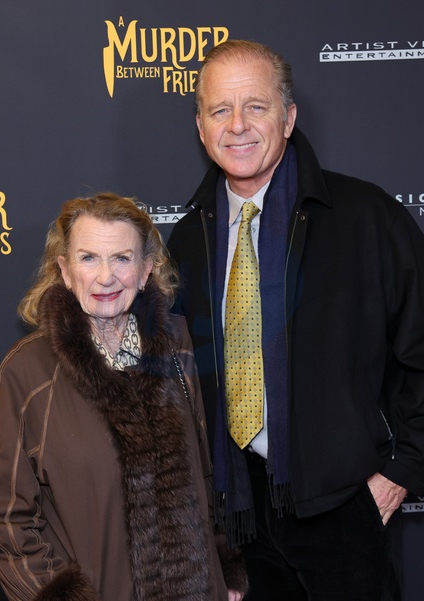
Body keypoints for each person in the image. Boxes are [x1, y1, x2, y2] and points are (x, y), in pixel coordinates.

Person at [167, 39, 424, 600]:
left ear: (288, 118)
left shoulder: (365, 217)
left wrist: (402, 470)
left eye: (255, 106)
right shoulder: (188, 240)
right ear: (201, 127)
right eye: (220, 109)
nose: (237, 125)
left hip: (343, 504)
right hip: (241, 510)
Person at [0, 193, 247, 601]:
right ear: (65, 271)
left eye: (122, 258)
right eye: (88, 258)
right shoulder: (28, 371)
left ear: (145, 270)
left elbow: (208, 473)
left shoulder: (180, 346)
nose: (106, 277)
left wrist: (221, 564)